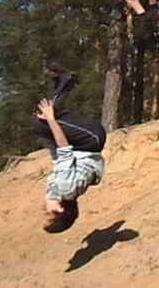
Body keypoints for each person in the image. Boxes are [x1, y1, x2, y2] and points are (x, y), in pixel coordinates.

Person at [32, 98, 106, 233]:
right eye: (48, 214)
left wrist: (47, 138)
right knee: (40, 122)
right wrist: (50, 119)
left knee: (39, 122)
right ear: (60, 209)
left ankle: (60, 86)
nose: (43, 210)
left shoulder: (61, 192)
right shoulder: (66, 188)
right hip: (89, 139)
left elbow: (58, 158)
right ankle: (64, 84)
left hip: (86, 143)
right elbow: (64, 150)